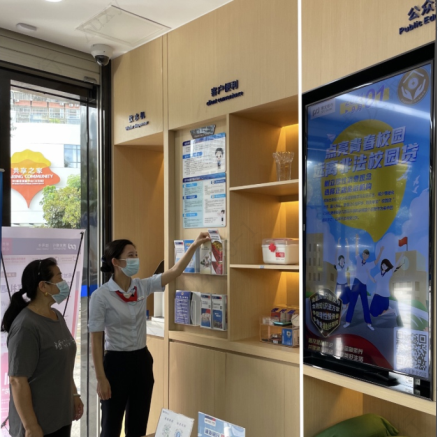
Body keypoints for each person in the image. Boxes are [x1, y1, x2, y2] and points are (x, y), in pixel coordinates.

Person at [89, 232, 210, 437]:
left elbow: (175, 271)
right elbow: (96, 339)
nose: (135, 259)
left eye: (136, 254)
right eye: (130, 255)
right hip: (116, 364)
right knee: (111, 427)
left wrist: (195, 245)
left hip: (142, 361)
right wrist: (101, 378)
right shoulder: (101, 296)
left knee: (138, 425)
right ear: (116, 262)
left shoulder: (141, 286)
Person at [1, 258, 83, 437]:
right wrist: (31, 426)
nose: (64, 283)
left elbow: (63, 363)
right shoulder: (26, 326)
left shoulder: (56, 316)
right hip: (39, 426)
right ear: (43, 286)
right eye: (59, 278)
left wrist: (74, 394)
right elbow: (17, 380)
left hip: (61, 418)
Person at [343, 234, 384, 331]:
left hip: (363, 286)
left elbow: (376, 261)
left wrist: (381, 251)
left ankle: (369, 323)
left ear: (368, 256)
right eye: (364, 254)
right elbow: (356, 251)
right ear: (362, 255)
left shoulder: (369, 264)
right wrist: (357, 240)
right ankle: (348, 322)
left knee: (365, 304)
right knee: (352, 303)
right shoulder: (358, 259)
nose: (365, 255)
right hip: (356, 283)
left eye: (367, 255)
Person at [334, 237, 351, 310]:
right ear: (339, 260)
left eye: (343, 260)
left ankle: (346, 304)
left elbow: (347, 254)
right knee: (338, 297)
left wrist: (347, 243)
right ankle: (340, 305)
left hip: (344, 284)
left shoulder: (346, 266)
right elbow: (336, 254)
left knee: (346, 296)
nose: (342, 261)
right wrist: (338, 243)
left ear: (344, 260)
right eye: (341, 260)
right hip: (339, 284)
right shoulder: (337, 266)